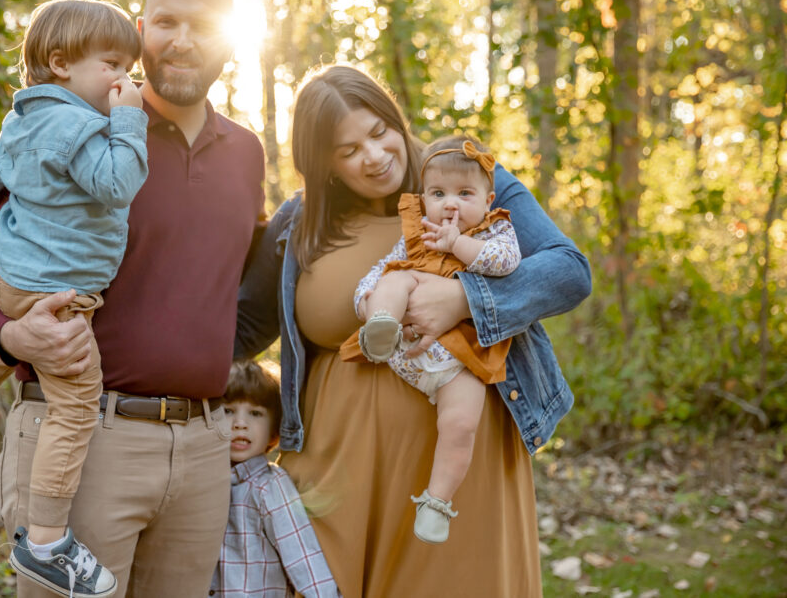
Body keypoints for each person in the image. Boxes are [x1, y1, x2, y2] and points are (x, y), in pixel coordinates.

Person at [0, 0, 265, 597]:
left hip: (204, 448)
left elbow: (224, 290)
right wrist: (13, 337)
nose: (182, 41)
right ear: (141, 32)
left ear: (232, 39)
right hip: (86, 438)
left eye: (202, 26)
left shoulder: (246, 152)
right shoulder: (79, 127)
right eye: (167, 23)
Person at [235, 64, 592, 596]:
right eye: (348, 150)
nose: (374, 157)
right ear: (324, 164)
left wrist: (465, 298)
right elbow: (244, 326)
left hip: (460, 458)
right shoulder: (299, 221)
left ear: (395, 120)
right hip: (336, 467)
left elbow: (569, 271)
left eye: (380, 133)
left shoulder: (468, 180)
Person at [0, 0, 148, 597]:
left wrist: (8, 198)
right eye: (112, 64)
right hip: (55, 287)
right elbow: (117, 183)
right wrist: (130, 122)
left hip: (11, 275)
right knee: (75, 402)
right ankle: (48, 543)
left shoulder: (22, 119)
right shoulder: (79, 124)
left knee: (12, 343)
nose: (124, 79)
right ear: (59, 62)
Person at [341, 134, 521, 544]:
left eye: (464, 193)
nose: (450, 204)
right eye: (438, 193)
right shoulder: (415, 236)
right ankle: (380, 327)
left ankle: (437, 502)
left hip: (460, 364)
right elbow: (373, 275)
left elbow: (505, 264)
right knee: (394, 278)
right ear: (424, 199)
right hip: (404, 348)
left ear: (489, 200)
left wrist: (457, 243)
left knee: (460, 426)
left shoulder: (496, 233)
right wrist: (370, 304)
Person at [211, 360, 340, 598]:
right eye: (228, 411)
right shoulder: (200, 482)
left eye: (255, 413)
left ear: (274, 430)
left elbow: (302, 557)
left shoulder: (270, 485)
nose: (240, 424)